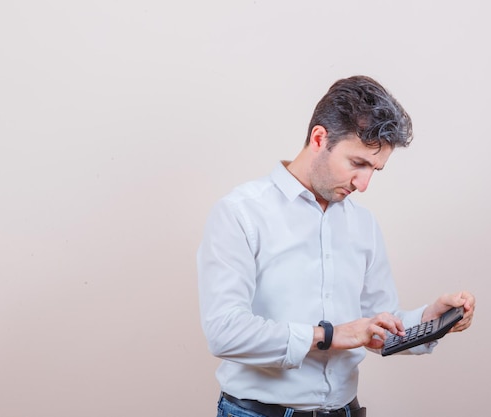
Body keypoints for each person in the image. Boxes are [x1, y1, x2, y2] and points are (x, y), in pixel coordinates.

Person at [197, 75, 475, 417]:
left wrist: (428, 318)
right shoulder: (240, 213)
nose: (364, 183)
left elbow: (376, 326)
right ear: (319, 138)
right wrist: (328, 335)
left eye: (375, 169)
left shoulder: (363, 224)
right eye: (357, 163)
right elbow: (225, 332)